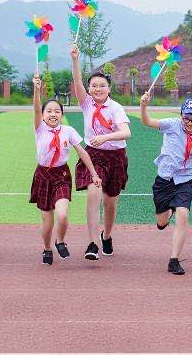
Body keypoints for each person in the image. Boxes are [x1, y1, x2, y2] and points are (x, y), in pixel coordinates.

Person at [140, 92, 192, 275]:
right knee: (161, 222)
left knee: (183, 215)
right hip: (164, 180)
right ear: (181, 116)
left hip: (185, 181)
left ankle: (174, 259)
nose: (190, 122)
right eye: (187, 118)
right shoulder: (172, 125)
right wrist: (144, 106)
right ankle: (169, 210)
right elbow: (147, 122)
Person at [30, 76, 102, 265]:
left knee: (62, 214)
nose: (52, 114)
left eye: (57, 111)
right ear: (43, 115)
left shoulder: (68, 131)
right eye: (49, 111)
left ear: (61, 114)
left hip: (61, 175)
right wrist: (37, 91)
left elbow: (82, 152)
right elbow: (36, 109)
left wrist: (94, 173)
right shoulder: (40, 129)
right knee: (47, 223)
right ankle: (47, 248)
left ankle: (60, 240)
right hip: (43, 175)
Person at [70, 45, 131, 260]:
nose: (97, 89)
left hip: (115, 157)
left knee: (110, 203)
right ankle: (93, 243)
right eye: (93, 86)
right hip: (93, 155)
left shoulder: (116, 108)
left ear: (109, 89)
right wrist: (75, 60)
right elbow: (77, 83)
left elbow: (126, 132)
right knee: (93, 195)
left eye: (101, 86)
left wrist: (105, 136)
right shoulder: (86, 103)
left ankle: (107, 235)